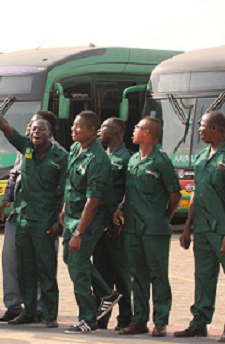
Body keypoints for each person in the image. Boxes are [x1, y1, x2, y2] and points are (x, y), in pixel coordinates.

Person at [0, 83, 67, 328]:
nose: (36, 132)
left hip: (46, 222)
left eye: (41, 129)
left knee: (46, 268)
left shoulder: (61, 157)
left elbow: (67, 191)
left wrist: (60, 221)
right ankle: (26, 311)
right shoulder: (24, 148)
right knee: (24, 268)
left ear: (50, 133)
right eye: (33, 129)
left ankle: (49, 314)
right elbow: (4, 127)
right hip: (23, 219)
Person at [114, 117, 180, 337]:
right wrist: (121, 208)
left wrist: (163, 218)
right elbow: (130, 191)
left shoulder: (161, 161)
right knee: (137, 275)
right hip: (132, 227)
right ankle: (139, 320)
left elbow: (174, 194)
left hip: (154, 229)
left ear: (149, 133)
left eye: (138, 128)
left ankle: (160, 321)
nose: (133, 131)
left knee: (158, 274)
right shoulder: (133, 160)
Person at [174, 111, 225, 342]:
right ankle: (199, 322)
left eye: (203, 126)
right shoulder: (201, 157)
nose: (199, 130)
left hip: (224, 230)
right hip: (203, 229)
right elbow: (197, 193)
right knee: (203, 278)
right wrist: (187, 226)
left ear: (216, 129)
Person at [60, 111, 120, 334]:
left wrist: (79, 233)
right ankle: (107, 293)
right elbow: (70, 184)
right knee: (71, 258)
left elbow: (93, 202)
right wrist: (64, 211)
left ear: (92, 131)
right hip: (73, 215)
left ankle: (88, 319)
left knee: (78, 266)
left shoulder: (97, 159)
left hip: (89, 220)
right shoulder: (76, 149)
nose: (73, 129)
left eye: (78, 127)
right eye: (73, 125)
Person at [93, 117, 132, 330]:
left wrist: (120, 220)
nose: (99, 132)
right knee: (100, 270)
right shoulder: (101, 155)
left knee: (121, 273)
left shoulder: (126, 158)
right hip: (100, 224)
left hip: (117, 226)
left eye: (103, 128)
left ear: (115, 132)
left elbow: (129, 191)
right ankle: (101, 317)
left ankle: (125, 318)